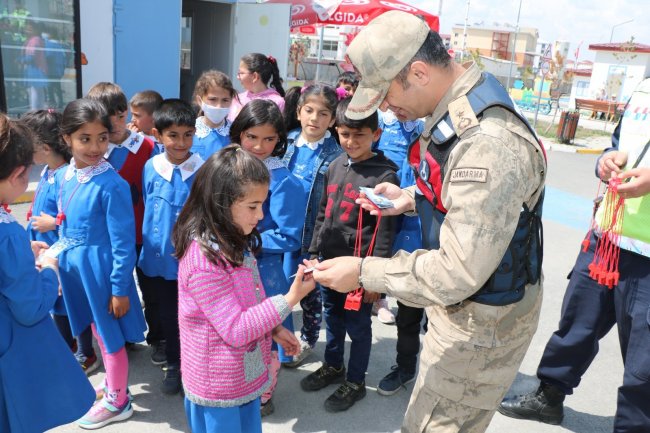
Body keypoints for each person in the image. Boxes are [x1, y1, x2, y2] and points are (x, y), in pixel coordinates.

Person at [311, 11, 546, 432]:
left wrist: (364, 271)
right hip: (463, 310)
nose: (384, 106)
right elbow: (464, 194)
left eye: (385, 93)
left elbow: (459, 270)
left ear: (418, 72)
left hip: (478, 325)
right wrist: (409, 198)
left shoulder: (486, 146)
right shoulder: (459, 101)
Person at [498, 77, 650, 432]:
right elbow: (619, 143)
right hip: (608, 236)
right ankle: (549, 397)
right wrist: (607, 160)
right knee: (576, 322)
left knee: (644, 360)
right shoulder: (643, 88)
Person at [173, 145, 315, 433]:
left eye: (262, 204)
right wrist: (291, 299)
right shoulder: (204, 260)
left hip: (241, 376)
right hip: (218, 388)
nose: (261, 215)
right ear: (220, 203)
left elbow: (250, 297)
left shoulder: (233, 239)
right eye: (252, 206)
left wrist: (275, 328)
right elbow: (236, 328)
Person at [300, 97, 399, 413]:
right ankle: (333, 366)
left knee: (358, 329)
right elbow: (322, 215)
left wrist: (375, 278)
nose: (351, 141)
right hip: (329, 267)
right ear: (336, 132)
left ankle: (355, 382)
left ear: (376, 135)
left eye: (360, 135)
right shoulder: (333, 166)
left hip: (358, 272)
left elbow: (385, 231)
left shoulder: (385, 176)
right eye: (345, 134)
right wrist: (314, 252)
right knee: (334, 322)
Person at [0, 112, 95, 433]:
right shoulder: (8, 233)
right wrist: (48, 271)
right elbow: (29, 308)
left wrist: (22, 257)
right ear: (19, 174)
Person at [56, 98, 147, 429]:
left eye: (102, 138)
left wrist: (120, 288)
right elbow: (65, 221)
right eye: (85, 138)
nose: (95, 146)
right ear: (66, 138)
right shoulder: (65, 175)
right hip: (78, 271)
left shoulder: (112, 184)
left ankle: (119, 401)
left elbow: (124, 242)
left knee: (109, 337)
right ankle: (112, 384)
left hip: (102, 275)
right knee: (95, 329)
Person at [230, 99, 305, 415]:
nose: (259, 146)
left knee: (265, 334)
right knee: (237, 328)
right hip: (231, 264)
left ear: (280, 140)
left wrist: (245, 242)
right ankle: (240, 383)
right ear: (238, 134)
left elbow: (289, 234)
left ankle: (264, 392)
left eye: (269, 139)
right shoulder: (229, 168)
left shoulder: (284, 180)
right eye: (251, 137)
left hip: (264, 269)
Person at [21, 109, 98, 374]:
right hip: (46, 253)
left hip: (61, 254)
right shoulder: (47, 171)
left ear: (43, 147)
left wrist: (51, 223)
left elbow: (79, 219)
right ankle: (66, 349)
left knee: (69, 307)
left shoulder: (66, 175)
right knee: (57, 306)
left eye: (28, 147)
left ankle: (85, 353)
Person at [138, 99, 203, 395]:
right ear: (157, 134)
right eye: (173, 135)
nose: (181, 142)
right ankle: (174, 365)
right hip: (155, 260)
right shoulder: (151, 167)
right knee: (165, 313)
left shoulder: (203, 170)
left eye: (187, 134)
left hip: (190, 262)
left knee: (188, 316)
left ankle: (188, 366)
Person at [86, 82, 156, 358]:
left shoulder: (148, 146)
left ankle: (157, 337)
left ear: (125, 112)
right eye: (104, 117)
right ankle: (121, 337)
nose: (113, 122)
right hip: (108, 237)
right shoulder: (93, 153)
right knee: (116, 287)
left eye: (117, 114)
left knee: (149, 288)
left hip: (144, 233)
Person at [281, 84, 343, 368]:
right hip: (284, 231)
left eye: (323, 113)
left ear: (332, 120)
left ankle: (307, 338)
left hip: (313, 235)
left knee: (309, 292)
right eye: (309, 111)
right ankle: (277, 336)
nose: (314, 119)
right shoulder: (286, 142)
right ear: (298, 111)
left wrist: (321, 243)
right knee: (281, 287)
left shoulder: (336, 154)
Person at [192, 70, 237, 160]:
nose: (219, 106)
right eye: (213, 99)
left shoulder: (235, 132)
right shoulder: (190, 131)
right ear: (200, 101)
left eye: (225, 100)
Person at [230, 53, 286, 120]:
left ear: (255, 76)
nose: (238, 77)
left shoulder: (277, 102)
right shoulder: (238, 98)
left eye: (241, 73)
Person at [127, 90, 163, 154]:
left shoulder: (164, 138)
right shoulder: (134, 135)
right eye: (132, 114)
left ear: (154, 117)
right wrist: (128, 138)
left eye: (137, 115)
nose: (132, 119)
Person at [22, 21, 48, 110]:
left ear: (36, 30)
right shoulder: (34, 40)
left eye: (30, 29)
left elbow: (31, 56)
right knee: (38, 92)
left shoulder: (35, 40)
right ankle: (39, 112)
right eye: (27, 29)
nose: (27, 31)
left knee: (35, 92)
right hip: (36, 69)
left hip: (35, 70)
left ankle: (35, 112)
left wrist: (20, 60)